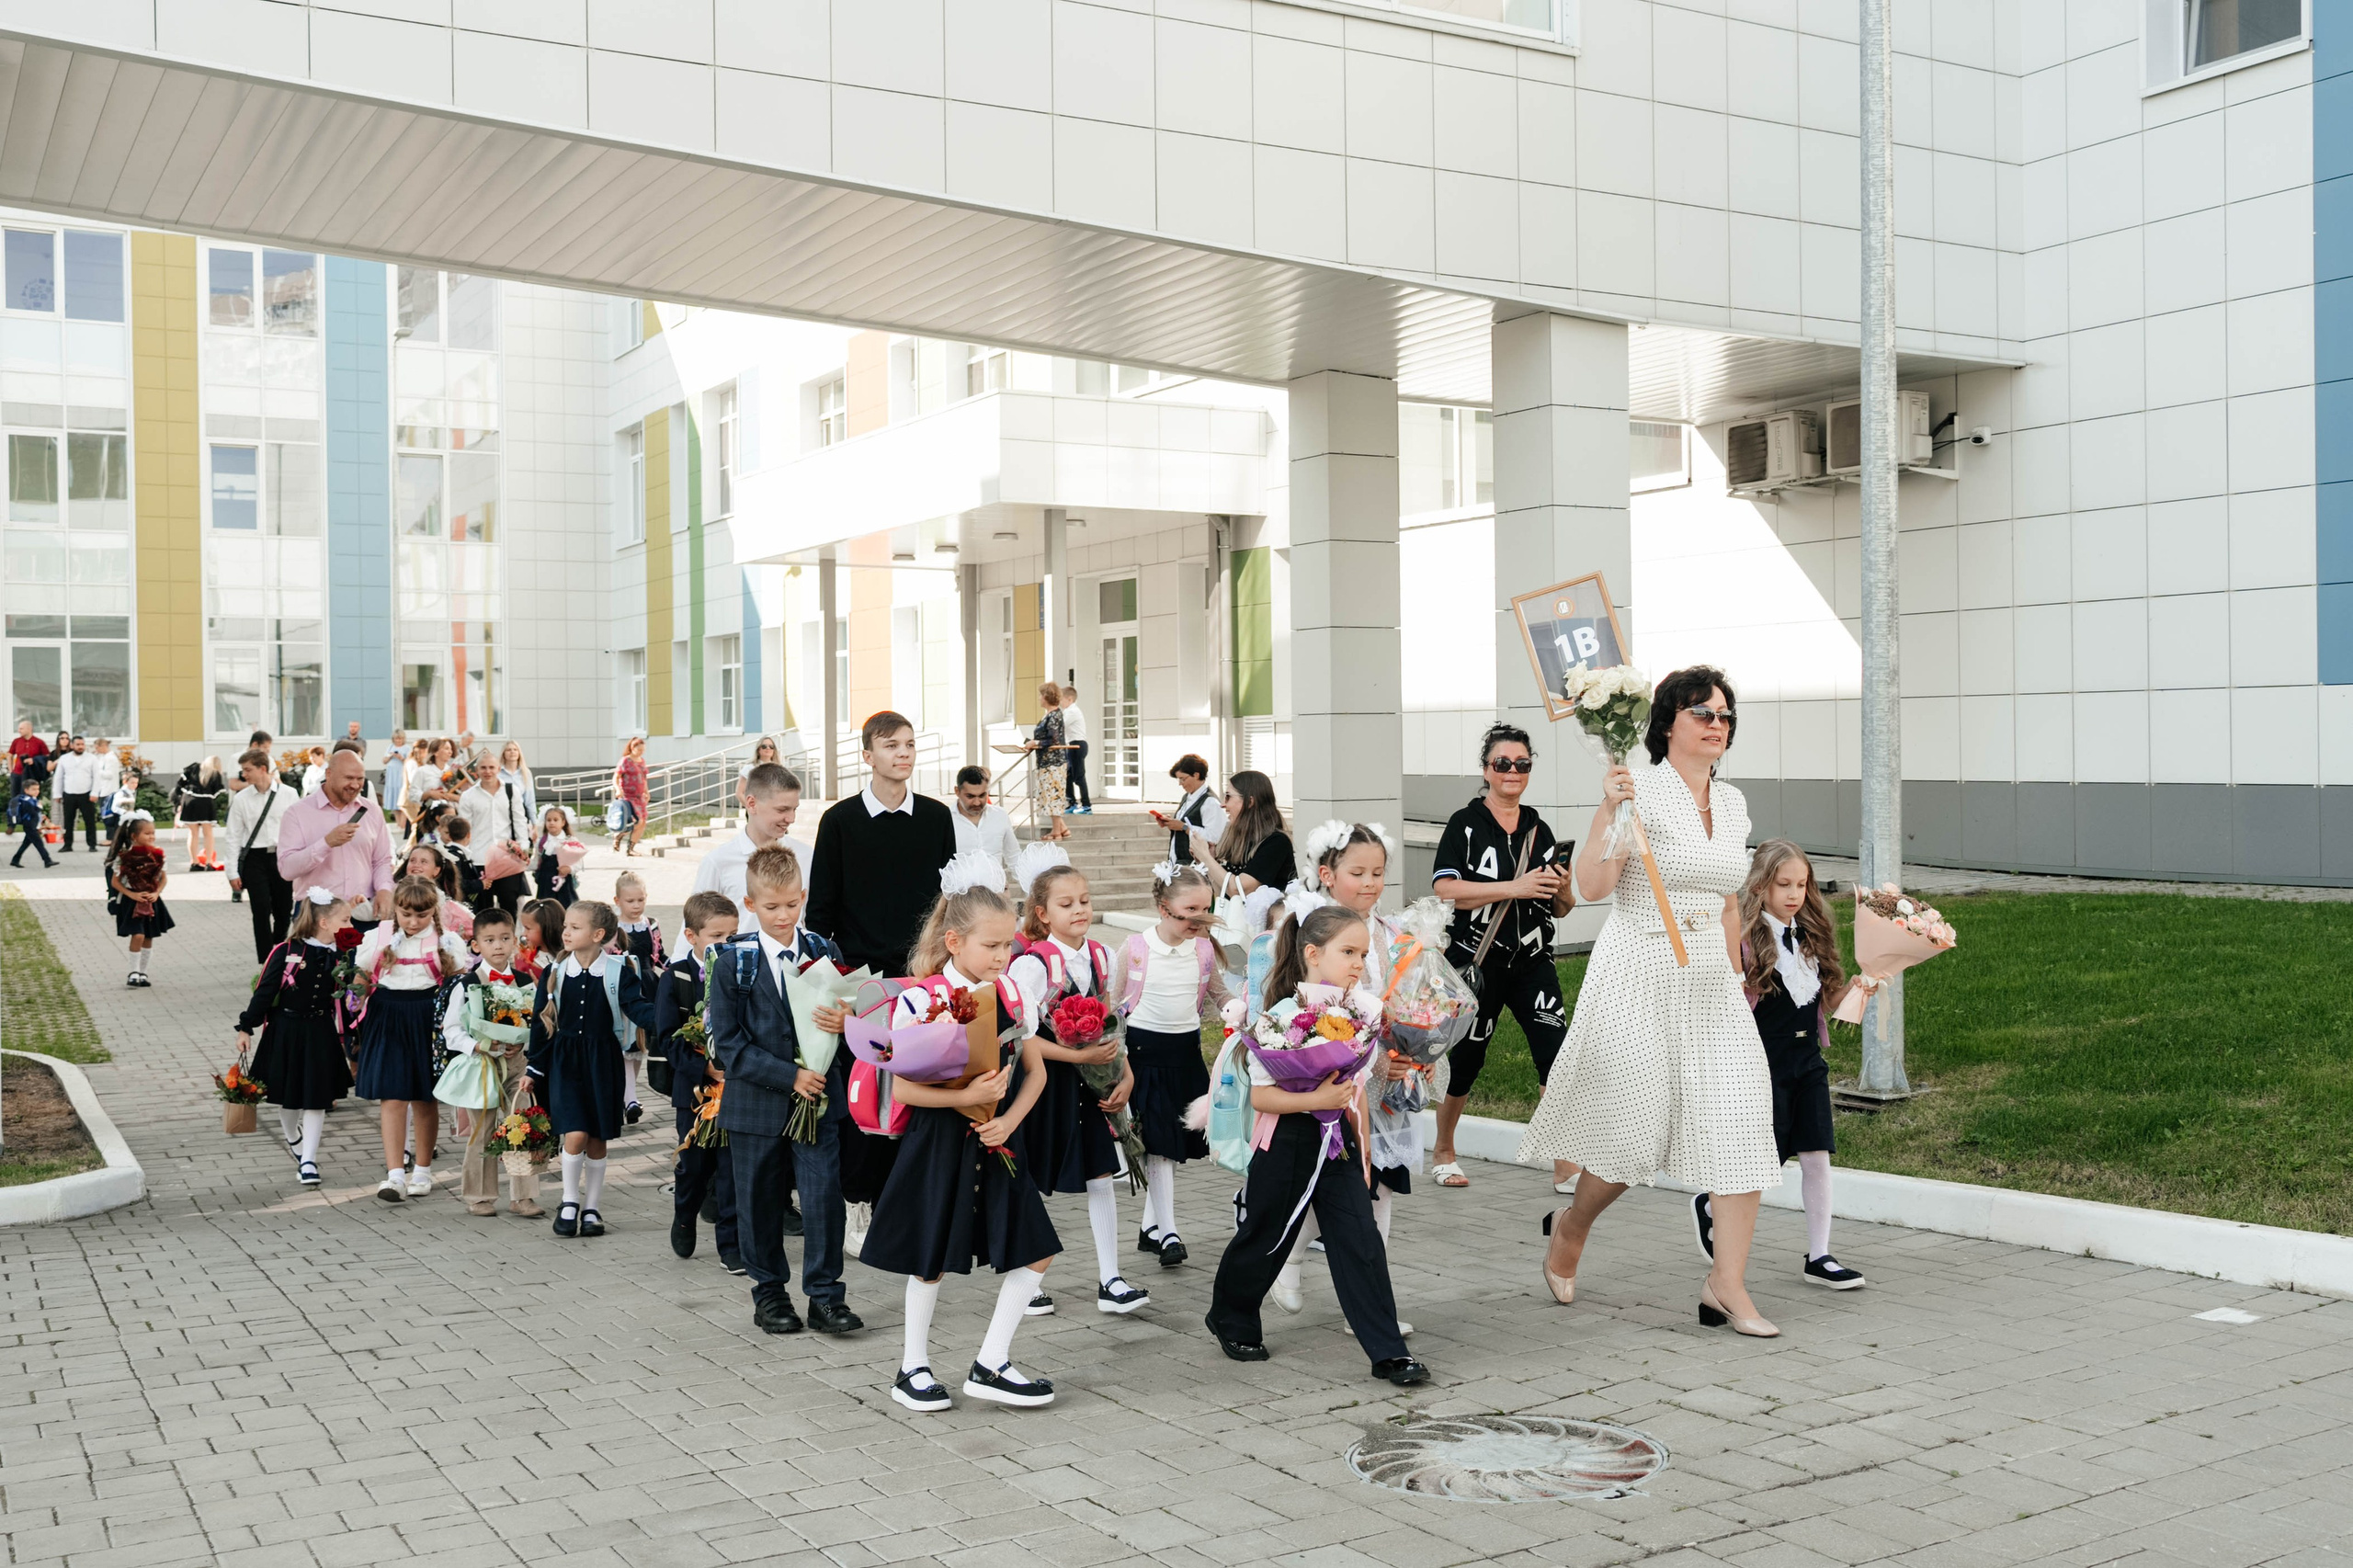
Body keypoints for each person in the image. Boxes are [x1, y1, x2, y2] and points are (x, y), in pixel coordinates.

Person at [1522, 665, 1786, 1336]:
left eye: (1725, 714)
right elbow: (1593, 885)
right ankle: (1571, 1228)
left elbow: (1729, 901)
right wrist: (1608, 808)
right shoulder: (1640, 792)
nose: (1717, 724)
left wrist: (1737, 978)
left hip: (1711, 982)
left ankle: (1726, 1284)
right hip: (1638, 966)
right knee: (1632, 1131)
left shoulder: (1732, 805)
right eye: (1703, 712)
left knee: (1742, 1118)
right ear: (1667, 722)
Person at [860, 857, 1060, 1412]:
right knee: (933, 1256)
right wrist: (965, 1099)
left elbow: (1036, 1070)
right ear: (953, 941)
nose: (1003, 956)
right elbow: (903, 1092)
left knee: (1036, 1250)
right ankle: (911, 1368)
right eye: (991, 946)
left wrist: (1009, 1120)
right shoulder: (920, 1002)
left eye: (1008, 946)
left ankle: (991, 1363)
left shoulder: (1013, 995)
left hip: (997, 1140)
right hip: (939, 1142)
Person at [1204, 904, 1429, 1387]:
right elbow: (1263, 1095)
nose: (1358, 963)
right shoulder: (1282, 1017)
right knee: (1267, 1233)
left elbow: (1357, 1096)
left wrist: (1363, 1150)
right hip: (1285, 1139)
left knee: (1360, 1241)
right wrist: (1319, 1097)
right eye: (1348, 952)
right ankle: (1231, 1316)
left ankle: (1387, 1350)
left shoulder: (1362, 1015)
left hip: (1339, 1142)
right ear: (1312, 953)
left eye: (1363, 954)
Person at [705, 846, 859, 1335]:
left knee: (823, 1200)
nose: (783, 915)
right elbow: (728, 1045)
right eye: (771, 907)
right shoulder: (732, 962)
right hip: (756, 1105)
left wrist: (846, 1020)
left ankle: (826, 1297)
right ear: (750, 904)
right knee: (759, 1203)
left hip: (818, 1103)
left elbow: (846, 1016)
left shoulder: (824, 950)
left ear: (804, 898)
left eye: (792, 904)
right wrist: (788, 1075)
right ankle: (769, 1294)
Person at [1428, 722, 1578, 1192]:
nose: (1513, 772)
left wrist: (1562, 887)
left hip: (1532, 959)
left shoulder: (1539, 827)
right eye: (1503, 764)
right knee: (1469, 1059)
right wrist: (1514, 886)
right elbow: (1445, 889)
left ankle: (1564, 1163)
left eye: (1522, 764)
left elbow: (1561, 906)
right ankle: (1444, 1149)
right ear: (1487, 770)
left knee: (1556, 1056)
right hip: (1479, 960)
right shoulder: (1465, 824)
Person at [1006, 850, 1147, 1315]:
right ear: (1043, 915)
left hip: (1089, 1083)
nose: (1080, 910)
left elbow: (1111, 1023)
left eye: (1085, 900)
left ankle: (1111, 1279)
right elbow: (1021, 1038)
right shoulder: (1034, 965)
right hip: (1043, 1084)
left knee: (1100, 1171)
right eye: (1067, 904)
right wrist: (1076, 1054)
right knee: (1029, 1175)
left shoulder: (1102, 955)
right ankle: (1024, 1281)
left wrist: (1122, 1072)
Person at [1736, 840, 1870, 1291]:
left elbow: (1825, 1003)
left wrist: (1857, 989)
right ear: (1762, 885)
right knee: (1763, 1164)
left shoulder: (1811, 937)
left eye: (1801, 884)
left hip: (1808, 1060)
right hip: (1763, 1062)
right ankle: (1711, 1208)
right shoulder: (1745, 939)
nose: (1794, 893)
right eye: (1784, 884)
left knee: (1816, 1155)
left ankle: (1820, 1255)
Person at [1114, 861, 1232, 1267]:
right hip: (1144, 1058)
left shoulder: (1201, 949)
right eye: (1190, 912)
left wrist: (1237, 1008)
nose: (1200, 920)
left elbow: (1218, 993)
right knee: (1159, 1150)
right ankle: (1169, 1234)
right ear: (1164, 908)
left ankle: (1151, 1227)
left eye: (1206, 910)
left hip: (1185, 1056)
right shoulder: (1135, 949)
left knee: (1171, 1146)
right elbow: (1114, 1008)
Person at [526, 900, 655, 1238]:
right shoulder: (555, 972)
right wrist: (534, 1067)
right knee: (576, 1132)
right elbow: (541, 1023)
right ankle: (569, 1202)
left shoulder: (618, 971)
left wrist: (669, 1022)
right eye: (566, 926)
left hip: (604, 1060)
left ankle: (592, 1209)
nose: (566, 932)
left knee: (597, 1138)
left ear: (598, 935)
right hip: (565, 1061)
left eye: (575, 927)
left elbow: (638, 1008)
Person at [805, 712, 958, 975]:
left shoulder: (937, 816)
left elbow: (948, 895)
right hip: (855, 970)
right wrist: (823, 969)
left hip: (923, 967)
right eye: (891, 745)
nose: (904, 753)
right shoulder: (839, 820)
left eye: (910, 744)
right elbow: (820, 908)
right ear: (868, 757)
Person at [353, 879, 472, 1202]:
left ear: (434, 911)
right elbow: (361, 976)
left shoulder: (446, 941)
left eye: (421, 915)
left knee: (424, 1096)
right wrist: (353, 999)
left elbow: (459, 983)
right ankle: (394, 1176)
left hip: (428, 1017)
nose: (413, 922)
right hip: (388, 1014)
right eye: (405, 914)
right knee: (392, 1096)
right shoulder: (379, 937)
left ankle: (422, 1170)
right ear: (396, 910)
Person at [236, 888, 355, 1188]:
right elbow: (264, 991)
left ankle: (309, 1161)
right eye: (345, 919)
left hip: (319, 1031)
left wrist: (353, 1030)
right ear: (324, 923)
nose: (350, 925)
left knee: (316, 1098)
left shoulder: (341, 955)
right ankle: (293, 1137)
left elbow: (347, 997)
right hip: (285, 1031)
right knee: (289, 1101)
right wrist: (245, 1027)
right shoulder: (287, 951)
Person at [659, 890, 741, 1267]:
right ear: (692, 936)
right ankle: (685, 1214)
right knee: (693, 1163)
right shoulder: (675, 977)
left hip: (735, 1088)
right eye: (717, 937)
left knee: (731, 1168)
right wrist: (703, 1067)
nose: (727, 944)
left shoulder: (744, 970)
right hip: (695, 1091)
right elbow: (666, 1037)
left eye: (733, 935)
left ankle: (731, 1244)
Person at [442, 906, 540, 1218]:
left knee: (522, 1125)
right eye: (489, 940)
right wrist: (481, 1045)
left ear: (515, 941)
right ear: (476, 945)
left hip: (518, 1066)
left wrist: (522, 1043)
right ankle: (479, 1194)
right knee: (482, 1130)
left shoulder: (526, 981)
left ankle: (524, 1196)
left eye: (504, 938)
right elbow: (452, 1031)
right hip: (482, 1067)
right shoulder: (467, 984)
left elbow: (538, 1023)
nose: (498, 946)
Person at [276, 750, 396, 930]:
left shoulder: (371, 811)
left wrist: (385, 890)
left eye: (360, 779)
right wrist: (326, 843)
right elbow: (287, 869)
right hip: (317, 915)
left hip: (363, 912)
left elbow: (381, 860)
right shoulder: (297, 813)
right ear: (329, 774)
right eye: (348, 778)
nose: (355, 785)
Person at [691, 762, 806, 927]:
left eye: (794, 809)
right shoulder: (717, 861)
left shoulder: (806, 856)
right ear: (752, 804)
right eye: (782, 810)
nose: (791, 819)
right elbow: (695, 926)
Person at [225, 749, 298, 962]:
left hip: (282, 857)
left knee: (283, 911)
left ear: (263, 769)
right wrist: (231, 872)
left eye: (248, 770)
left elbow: (299, 830)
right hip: (254, 859)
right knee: (260, 910)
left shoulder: (289, 794)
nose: (244, 775)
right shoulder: (241, 799)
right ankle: (266, 962)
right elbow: (233, 836)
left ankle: (279, 949)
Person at [610, 869, 664, 1123]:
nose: (636, 905)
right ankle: (630, 1098)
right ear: (617, 901)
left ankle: (629, 1096)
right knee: (626, 1045)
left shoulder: (651, 924)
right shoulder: (613, 927)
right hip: (625, 989)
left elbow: (660, 956)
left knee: (640, 1046)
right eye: (630, 901)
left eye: (640, 900)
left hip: (649, 986)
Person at [1189, 768, 1291, 899]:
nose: (1223, 804)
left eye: (1228, 796)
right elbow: (1223, 894)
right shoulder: (1240, 840)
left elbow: (1239, 892)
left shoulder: (1276, 842)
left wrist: (1205, 857)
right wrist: (1208, 861)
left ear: (1250, 802)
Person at [458, 753, 533, 915]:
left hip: (507, 859)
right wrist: (466, 856)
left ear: (499, 768)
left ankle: (510, 938)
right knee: (483, 909)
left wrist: (523, 848)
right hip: (479, 858)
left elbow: (520, 820)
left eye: (491, 767)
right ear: (476, 770)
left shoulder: (511, 791)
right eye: (483, 768)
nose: (488, 771)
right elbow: (465, 829)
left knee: (509, 905)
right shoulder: (468, 796)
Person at [107, 813, 172, 983]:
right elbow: (115, 882)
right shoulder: (124, 857)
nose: (151, 836)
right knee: (138, 935)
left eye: (153, 833)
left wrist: (156, 893)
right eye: (147, 833)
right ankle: (133, 972)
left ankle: (143, 973)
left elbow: (163, 878)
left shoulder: (159, 855)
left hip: (151, 900)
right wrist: (132, 895)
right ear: (134, 836)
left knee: (148, 936)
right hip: (131, 902)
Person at [1020, 683, 1068, 836]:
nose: (1039, 698)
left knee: (1053, 795)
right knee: (1048, 794)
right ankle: (1063, 829)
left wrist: (1036, 743)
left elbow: (1054, 740)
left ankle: (1056, 832)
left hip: (1053, 763)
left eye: (1041, 695)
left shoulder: (1054, 716)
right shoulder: (1050, 715)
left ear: (1047, 697)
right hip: (1046, 762)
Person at [1161, 755, 1226, 866]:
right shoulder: (1187, 797)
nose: (1180, 783)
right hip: (1178, 862)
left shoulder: (1210, 802)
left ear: (1196, 775)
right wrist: (1171, 823)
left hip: (1197, 866)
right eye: (1179, 779)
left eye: (1183, 779)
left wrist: (1184, 827)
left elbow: (1213, 837)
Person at [401, 842, 475, 940]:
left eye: (423, 862)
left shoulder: (439, 898)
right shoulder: (397, 890)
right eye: (412, 860)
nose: (416, 865)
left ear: (436, 870)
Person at [949, 766, 1021, 866]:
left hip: (995, 882)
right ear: (957, 791)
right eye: (970, 796)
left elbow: (1014, 856)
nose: (977, 803)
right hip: (957, 881)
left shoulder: (1000, 815)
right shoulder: (946, 819)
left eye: (982, 795)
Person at [175, 756, 226, 870]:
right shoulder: (215, 773)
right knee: (208, 833)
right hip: (205, 802)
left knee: (193, 834)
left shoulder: (193, 768)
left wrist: (179, 803)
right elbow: (216, 791)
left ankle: (194, 863)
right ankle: (208, 862)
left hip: (189, 800)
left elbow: (180, 785)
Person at [531, 805, 581, 906]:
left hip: (564, 883)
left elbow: (578, 863)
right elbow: (536, 861)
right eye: (548, 820)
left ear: (563, 822)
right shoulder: (542, 842)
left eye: (555, 820)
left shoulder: (570, 841)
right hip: (545, 883)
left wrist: (569, 869)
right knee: (546, 908)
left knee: (565, 907)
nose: (552, 823)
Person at [55, 736, 97, 852]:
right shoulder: (64, 758)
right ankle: (67, 844)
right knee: (68, 821)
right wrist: (57, 794)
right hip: (69, 793)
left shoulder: (91, 758)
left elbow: (96, 777)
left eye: (82, 744)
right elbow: (58, 777)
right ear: (72, 745)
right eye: (78, 744)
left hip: (86, 793)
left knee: (90, 821)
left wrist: (95, 792)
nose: (80, 747)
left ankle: (92, 844)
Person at [1057, 683, 1092, 813]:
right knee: (1067, 775)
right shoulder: (1067, 711)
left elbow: (1060, 726)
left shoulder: (1072, 711)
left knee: (1079, 776)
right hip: (1071, 745)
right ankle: (1071, 802)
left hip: (1077, 745)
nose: (1060, 702)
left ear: (1070, 699)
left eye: (1061, 699)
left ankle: (1086, 806)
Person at [612, 736, 650, 855]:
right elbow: (616, 777)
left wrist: (647, 791)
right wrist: (618, 789)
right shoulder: (625, 761)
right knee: (637, 821)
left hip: (640, 796)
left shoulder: (642, 761)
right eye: (639, 750)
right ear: (632, 748)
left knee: (643, 822)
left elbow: (644, 778)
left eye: (643, 750)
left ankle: (631, 849)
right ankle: (619, 835)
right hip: (628, 796)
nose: (641, 752)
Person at [8, 772, 52, 869]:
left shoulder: (32, 799)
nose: (37, 791)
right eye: (34, 789)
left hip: (33, 825)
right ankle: (47, 860)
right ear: (26, 790)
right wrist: (39, 807)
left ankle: (15, 860)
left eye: (38, 789)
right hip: (29, 826)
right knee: (39, 844)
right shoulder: (26, 801)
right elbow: (32, 812)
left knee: (25, 845)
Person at [736, 735, 781, 807]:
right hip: (756, 811)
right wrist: (751, 808)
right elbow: (739, 793)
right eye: (764, 746)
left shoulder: (779, 770)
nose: (768, 748)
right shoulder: (749, 768)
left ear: (774, 750)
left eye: (771, 746)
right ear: (758, 750)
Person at [499, 741, 536, 824]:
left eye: (515, 749)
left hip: (520, 812)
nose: (512, 752)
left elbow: (530, 800)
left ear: (519, 753)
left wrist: (534, 822)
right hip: (502, 813)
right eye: (508, 750)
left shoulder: (526, 773)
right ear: (503, 754)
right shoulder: (498, 773)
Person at [381, 729, 409, 815]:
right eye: (396, 739)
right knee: (393, 793)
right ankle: (396, 817)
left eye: (400, 739)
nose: (398, 741)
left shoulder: (407, 748)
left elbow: (410, 763)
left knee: (400, 791)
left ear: (403, 739)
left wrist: (401, 758)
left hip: (400, 773)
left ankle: (403, 819)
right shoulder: (390, 747)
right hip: (391, 774)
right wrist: (390, 756)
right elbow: (384, 761)